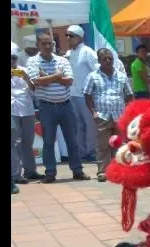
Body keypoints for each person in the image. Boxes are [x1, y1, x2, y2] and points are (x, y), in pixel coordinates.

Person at [25, 32, 90, 183]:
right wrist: (56, 75)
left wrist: (47, 76)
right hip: (46, 107)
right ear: (38, 46)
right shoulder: (33, 61)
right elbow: (36, 82)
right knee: (48, 141)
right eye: (44, 44)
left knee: (72, 140)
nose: (48, 46)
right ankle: (50, 173)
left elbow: (69, 81)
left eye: (51, 43)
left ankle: (77, 170)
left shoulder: (62, 60)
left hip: (66, 105)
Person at [84, 49, 133, 182]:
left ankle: (120, 170)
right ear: (99, 60)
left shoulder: (121, 76)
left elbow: (129, 95)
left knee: (120, 144)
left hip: (119, 115)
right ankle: (103, 172)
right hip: (102, 115)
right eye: (104, 58)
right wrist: (93, 112)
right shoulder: (93, 76)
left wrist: (129, 112)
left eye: (110, 58)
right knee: (103, 145)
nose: (108, 61)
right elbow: (87, 95)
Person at [65, 25, 98, 162]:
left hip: (86, 95)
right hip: (72, 94)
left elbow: (97, 70)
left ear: (79, 37)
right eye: (66, 35)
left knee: (90, 125)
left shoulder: (88, 52)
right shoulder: (69, 53)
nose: (67, 38)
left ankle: (92, 151)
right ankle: (82, 152)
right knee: (78, 125)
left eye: (70, 35)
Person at [12, 44, 40, 193]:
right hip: (12, 111)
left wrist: (27, 78)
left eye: (14, 58)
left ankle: (30, 170)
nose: (12, 62)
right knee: (14, 143)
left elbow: (35, 90)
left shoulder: (24, 71)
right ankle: (16, 174)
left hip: (27, 110)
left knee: (28, 141)